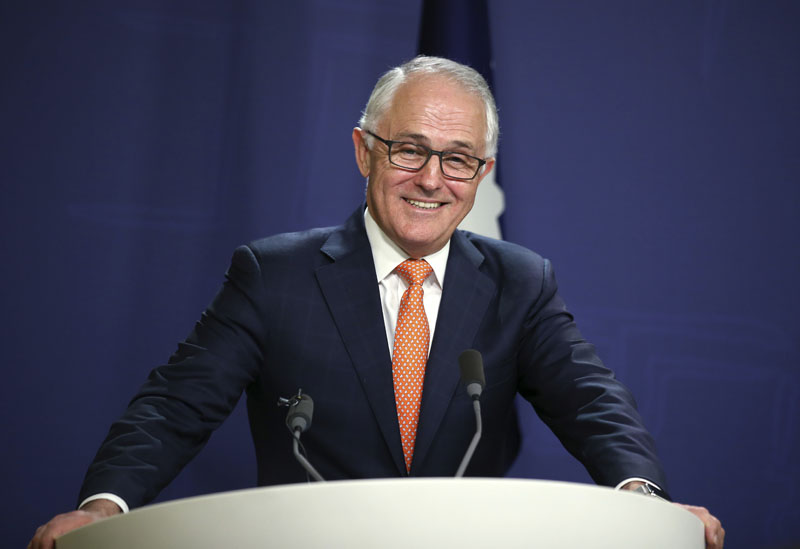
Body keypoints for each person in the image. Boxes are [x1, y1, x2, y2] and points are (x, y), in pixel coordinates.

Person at [29, 56, 724, 548]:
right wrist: (104, 508)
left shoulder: (520, 281)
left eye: (458, 159)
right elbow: (176, 405)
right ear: (364, 152)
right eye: (409, 150)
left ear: (482, 173)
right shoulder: (274, 275)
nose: (432, 179)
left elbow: (591, 402)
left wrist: (645, 504)